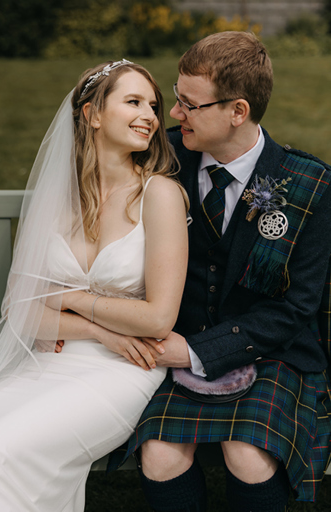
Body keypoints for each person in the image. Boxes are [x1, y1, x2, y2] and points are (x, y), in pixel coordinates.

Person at [107, 32, 331, 511]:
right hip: (169, 344)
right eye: (177, 97)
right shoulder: (156, 160)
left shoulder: (311, 185)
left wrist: (194, 350)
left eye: (190, 104)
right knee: (161, 454)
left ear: (238, 111)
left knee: (249, 454)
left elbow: (297, 308)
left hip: (272, 353)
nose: (173, 114)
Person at [0, 61, 190, 510]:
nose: (151, 116)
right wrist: (101, 330)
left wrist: (69, 300)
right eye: (133, 102)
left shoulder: (159, 195)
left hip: (121, 372)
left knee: (1, 451)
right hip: (50, 360)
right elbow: (20, 311)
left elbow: (158, 317)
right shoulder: (59, 197)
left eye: (153, 106)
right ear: (92, 114)